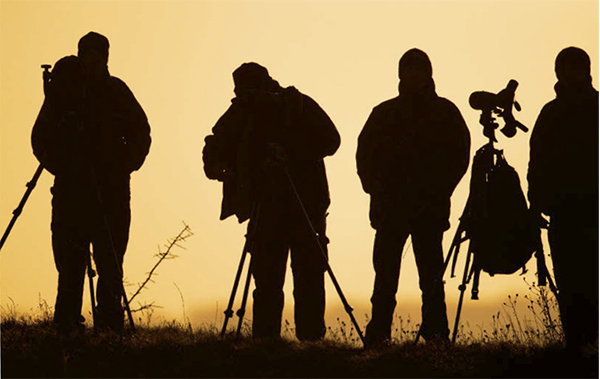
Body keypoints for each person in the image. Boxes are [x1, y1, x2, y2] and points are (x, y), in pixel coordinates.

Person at [203, 62, 340, 340]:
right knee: (273, 278)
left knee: (303, 275)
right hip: (270, 206)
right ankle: (276, 343)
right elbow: (216, 143)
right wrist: (218, 166)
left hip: (302, 206)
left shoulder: (295, 105)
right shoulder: (245, 109)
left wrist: (290, 153)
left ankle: (300, 342)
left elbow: (331, 140)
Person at [31, 32, 151, 336]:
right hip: (72, 191)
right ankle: (67, 325)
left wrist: (123, 165)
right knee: (69, 262)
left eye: (97, 55)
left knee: (111, 262)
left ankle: (110, 328)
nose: (92, 60)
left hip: (110, 192)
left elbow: (141, 132)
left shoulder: (116, 91)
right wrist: (63, 167)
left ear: (106, 58)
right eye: (86, 54)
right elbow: (40, 137)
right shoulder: (64, 93)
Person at [356, 48, 470, 346]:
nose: (415, 75)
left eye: (420, 69)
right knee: (385, 278)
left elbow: (460, 156)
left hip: (428, 210)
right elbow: (364, 155)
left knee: (431, 278)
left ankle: (436, 335)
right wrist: (375, 189)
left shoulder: (445, 112)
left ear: (429, 73)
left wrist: (441, 191)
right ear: (401, 74)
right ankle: (379, 335)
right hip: (389, 210)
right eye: (409, 69)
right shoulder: (383, 113)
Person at [527, 46, 598, 355]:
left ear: (586, 70)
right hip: (562, 212)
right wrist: (536, 202)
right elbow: (536, 162)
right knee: (569, 283)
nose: (569, 73)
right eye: (564, 68)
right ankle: (576, 346)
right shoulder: (550, 113)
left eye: (575, 67)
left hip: (593, 211)